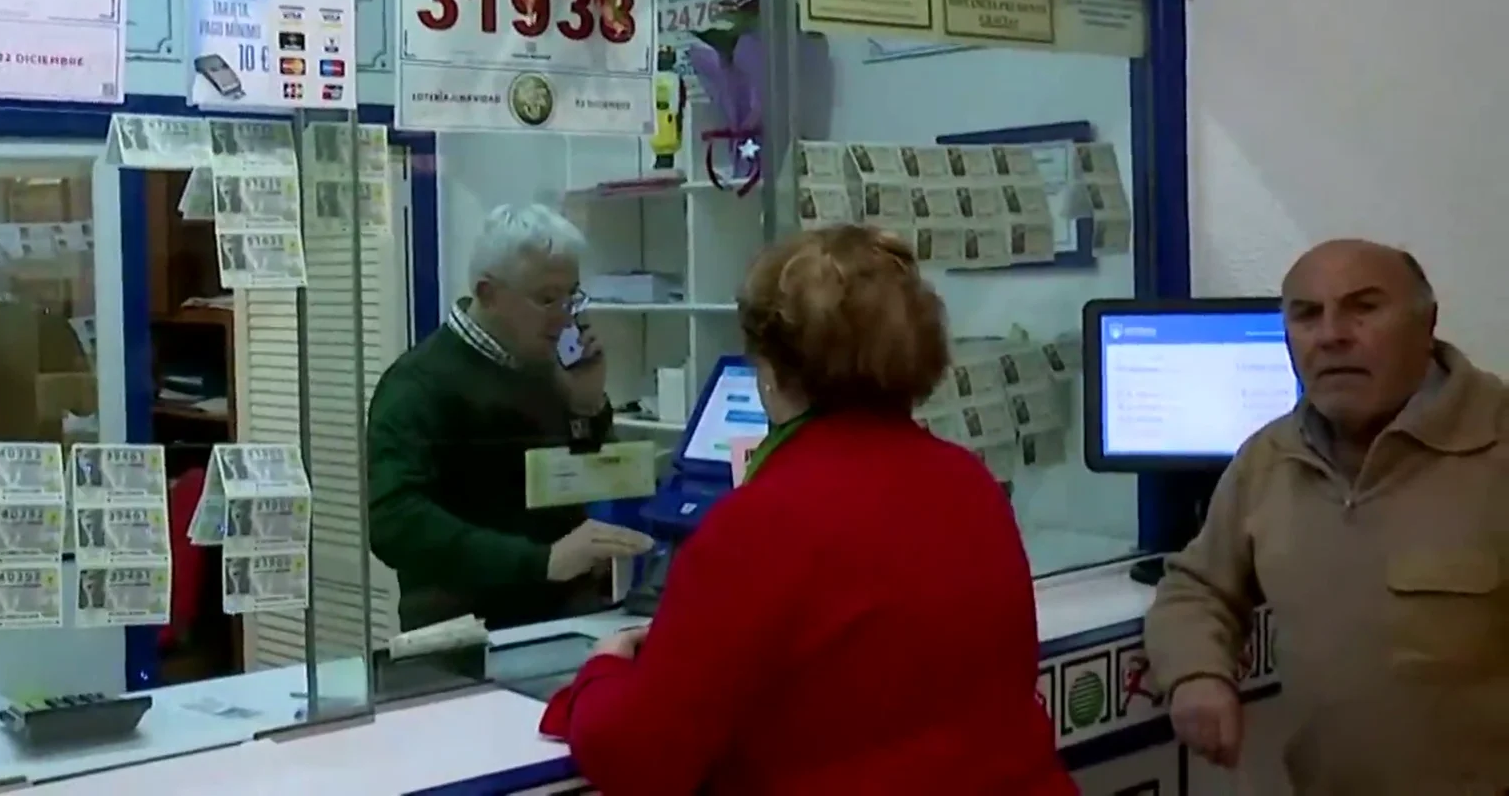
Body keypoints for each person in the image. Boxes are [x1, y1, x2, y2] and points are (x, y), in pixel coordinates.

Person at [538, 225, 1072, 795]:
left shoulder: (760, 522)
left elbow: (638, 753)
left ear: (769, 373)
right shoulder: (970, 483)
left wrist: (604, 671)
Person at [1144, 240, 1509, 793]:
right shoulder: (1269, 458)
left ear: (1426, 322)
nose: (1332, 334)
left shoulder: (1497, 445)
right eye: (1307, 314)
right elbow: (1197, 586)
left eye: (1364, 308)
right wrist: (1195, 673)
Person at [366, 204, 652, 630]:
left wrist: (587, 408)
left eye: (572, 296)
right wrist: (541, 561)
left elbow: (570, 482)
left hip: (563, 618)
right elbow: (395, 522)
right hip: (464, 634)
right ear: (488, 294)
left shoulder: (546, 366)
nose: (564, 315)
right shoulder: (418, 384)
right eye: (546, 298)